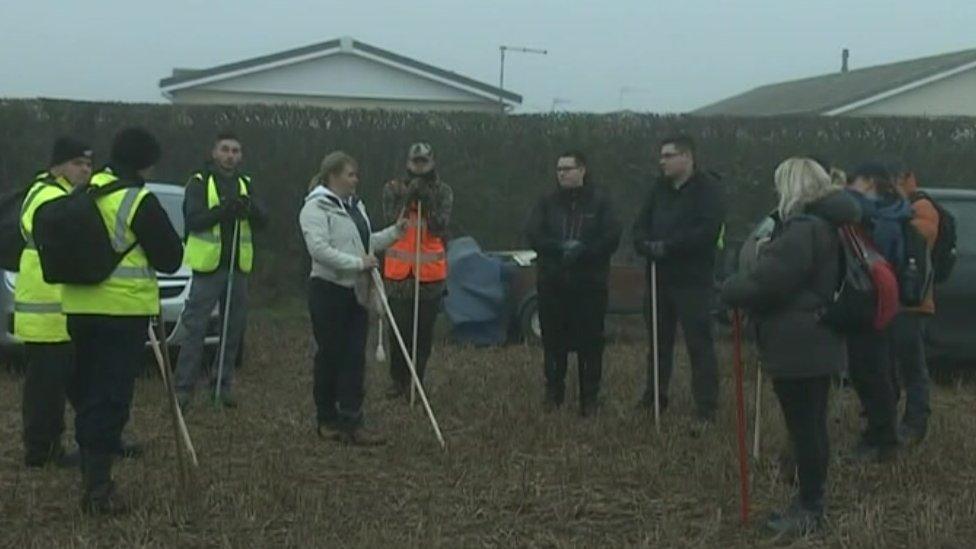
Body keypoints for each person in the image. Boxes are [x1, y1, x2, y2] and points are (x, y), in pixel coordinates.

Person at [722, 157, 859, 535]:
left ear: (792, 187)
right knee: (811, 425)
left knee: (805, 428)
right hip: (814, 339)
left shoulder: (803, 229)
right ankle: (810, 502)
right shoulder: (829, 224)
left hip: (798, 342)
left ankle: (809, 508)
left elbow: (768, 283)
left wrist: (730, 289)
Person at [55, 127, 183, 514]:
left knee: (89, 392)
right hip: (121, 313)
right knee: (109, 399)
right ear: (146, 162)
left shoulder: (83, 191)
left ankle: (92, 466)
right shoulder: (137, 199)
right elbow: (170, 258)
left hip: (77, 308)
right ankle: (97, 490)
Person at [301, 151, 405, 445]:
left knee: (354, 358)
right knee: (330, 356)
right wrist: (358, 264)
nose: (355, 179)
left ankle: (352, 420)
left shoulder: (354, 207)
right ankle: (326, 418)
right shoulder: (315, 208)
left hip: (356, 293)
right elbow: (319, 250)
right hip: (328, 291)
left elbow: (365, 243)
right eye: (350, 174)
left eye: (356, 174)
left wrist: (396, 233)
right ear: (332, 176)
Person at [632, 135, 725, 423]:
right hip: (658, 278)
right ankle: (655, 396)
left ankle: (706, 406)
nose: (662, 161)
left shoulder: (708, 190)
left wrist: (669, 247)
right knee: (658, 342)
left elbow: (706, 232)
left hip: (692, 280)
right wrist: (645, 245)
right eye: (661, 156)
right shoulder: (657, 189)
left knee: (699, 343)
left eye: (669, 155)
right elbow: (640, 226)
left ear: (687, 157)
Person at [174, 132, 267, 410]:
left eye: (235, 151)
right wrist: (225, 210)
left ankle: (222, 386)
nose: (230, 155)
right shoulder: (199, 183)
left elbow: (265, 221)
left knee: (232, 330)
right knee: (196, 329)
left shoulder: (245, 184)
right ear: (214, 153)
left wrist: (250, 210)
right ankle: (183, 389)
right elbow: (194, 220)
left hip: (237, 268)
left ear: (241, 156)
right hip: (208, 269)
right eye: (225, 150)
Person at [525, 151, 621, 416]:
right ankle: (554, 394)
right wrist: (558, 248)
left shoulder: (601, 201)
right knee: (553, 343)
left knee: (591, 344)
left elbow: (611, 236)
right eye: (558, 169)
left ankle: (589, 398)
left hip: (589, 285)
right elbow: (534, 233)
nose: (562, 173)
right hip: (553, 284)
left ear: (583, 170)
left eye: (568, 168)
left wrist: (585, 250)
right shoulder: (546, 202)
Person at [17, 137, 92, 468]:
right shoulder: (49, 197)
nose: (85, 170)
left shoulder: (56, 194)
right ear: (58, 166)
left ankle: (84, 440)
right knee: (45, 390)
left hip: (58, 312)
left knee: (63, 383)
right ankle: (41, 451)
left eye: (89, 164)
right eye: (78, 163)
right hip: (46, 313)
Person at [844, 162, 909, 462]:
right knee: (876, 368)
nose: (847, 186)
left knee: (871, 370)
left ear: (868, 181)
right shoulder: (893, 209)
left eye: (852, 180)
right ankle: (881, 433)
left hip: (874, 295)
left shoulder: (877, 213)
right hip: (884, 294)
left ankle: (883, 438)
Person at [381, 143, 453, 400]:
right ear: (408, 163)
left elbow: (440, 226)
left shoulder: (443, 191)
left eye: (424, 161)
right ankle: (397, 380)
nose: (419, 166)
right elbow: (391, 221)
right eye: (415, 161)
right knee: (398, 331)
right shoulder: (392, 188)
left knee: (423, 334)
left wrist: (427, 202)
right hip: (399, 274)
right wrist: (408, 199)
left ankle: (417, 380)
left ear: (432, 162)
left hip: (430, 276)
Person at [886, 158, 938, 444]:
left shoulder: (922, 207)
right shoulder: (906, 208)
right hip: (897, 302)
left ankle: (916, 423)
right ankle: (890, 418)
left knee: (913, 367)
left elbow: (920, 236)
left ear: (906, 178)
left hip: (913, 302)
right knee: (893, 364)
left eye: (895, 181)